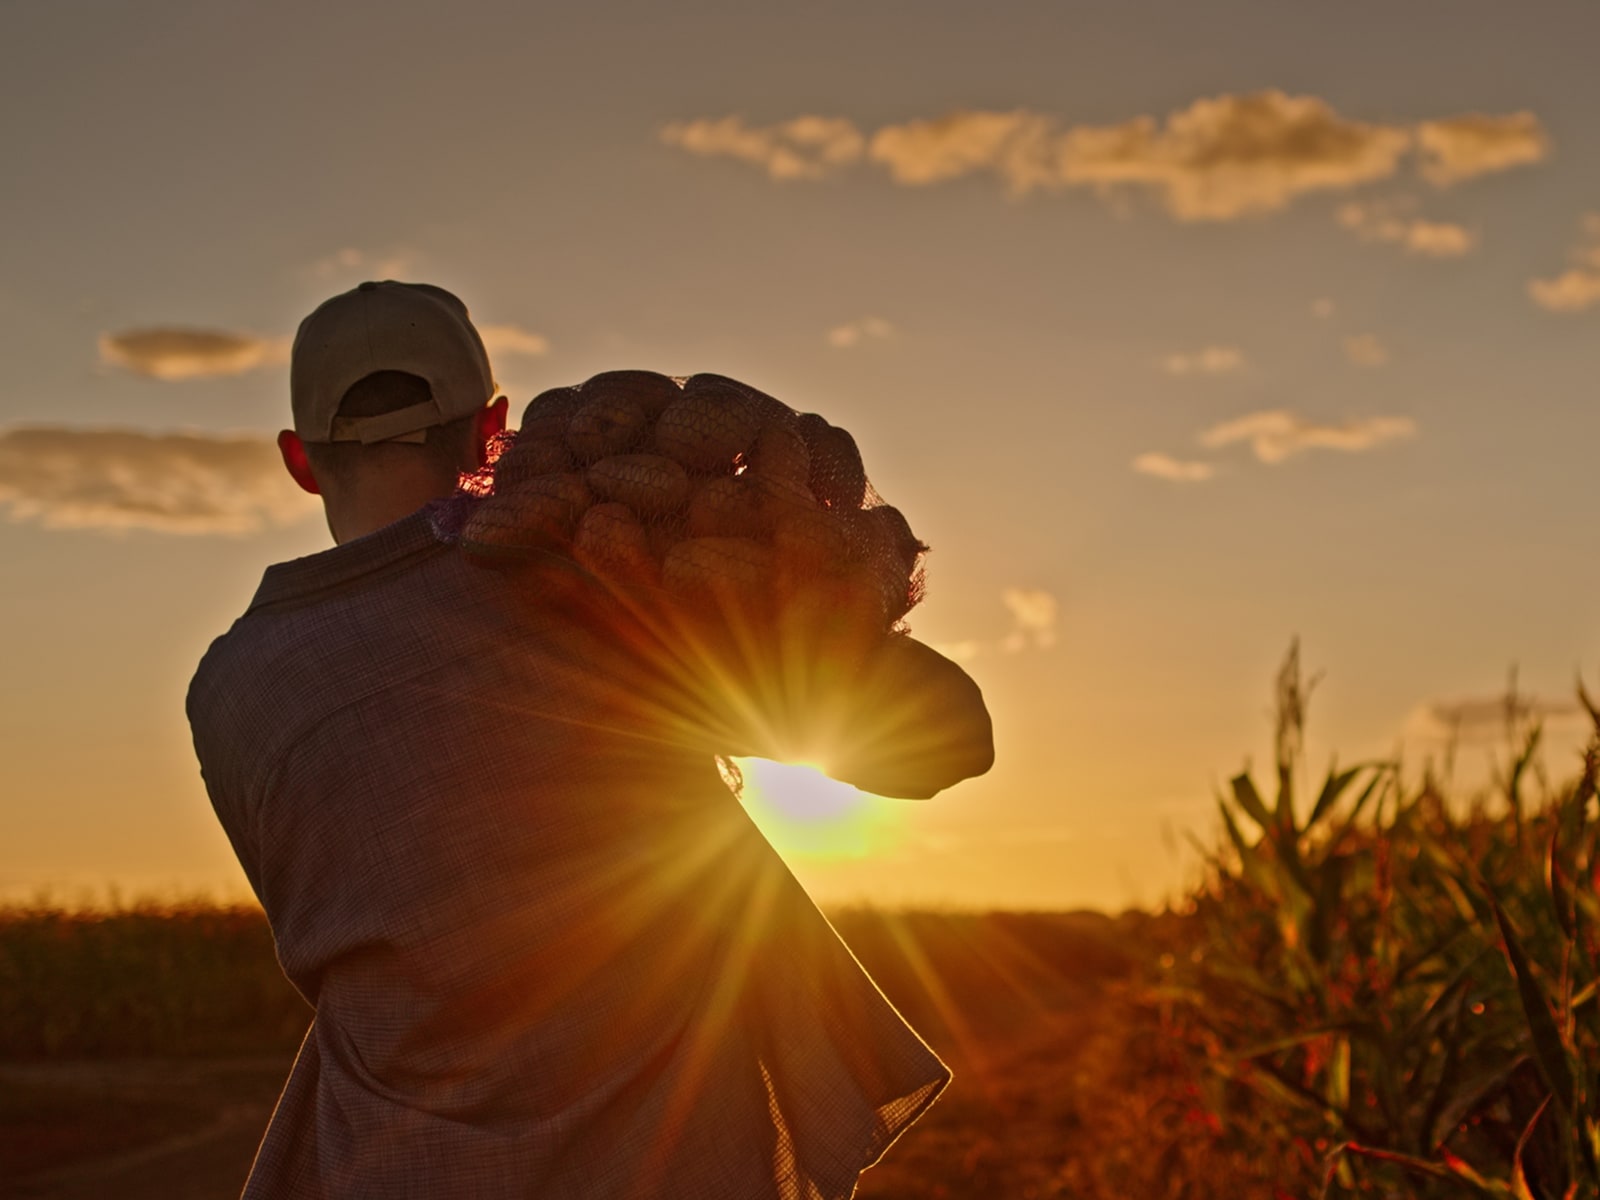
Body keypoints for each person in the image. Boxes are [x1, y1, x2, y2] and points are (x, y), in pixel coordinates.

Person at [187, 280, 995, 1199]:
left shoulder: (233, 687)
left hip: (395, 1168)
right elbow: (951, 740)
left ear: (299, 459)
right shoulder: (585, 589)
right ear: (494, 430)